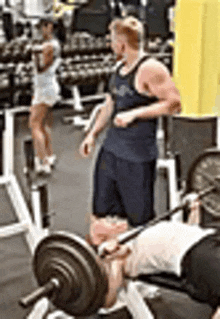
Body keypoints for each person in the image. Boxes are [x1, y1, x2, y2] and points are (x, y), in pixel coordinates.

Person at [79, 16, 181, 230]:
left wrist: (135, 114)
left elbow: (174, 104)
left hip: (137, 158)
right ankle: (110, 262)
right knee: (102, 216)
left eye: (112, 40)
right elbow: (109, 104)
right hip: (110, 152)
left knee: (139, 223)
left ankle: (139, 262)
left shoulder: (151, 68)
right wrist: (92, 134)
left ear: (122, 44)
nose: (109, 44)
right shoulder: (119, 69)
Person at [29, 15, 61, 175]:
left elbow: (42, 67)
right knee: (42, 124)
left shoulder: (50, 45)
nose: (40, 30)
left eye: (43, 26)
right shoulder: (50, 44)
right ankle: (49, 155)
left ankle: (43, 163)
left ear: (50, 27)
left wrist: (34, 55)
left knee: (34, 124)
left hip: (45, 88)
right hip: (45, 87)